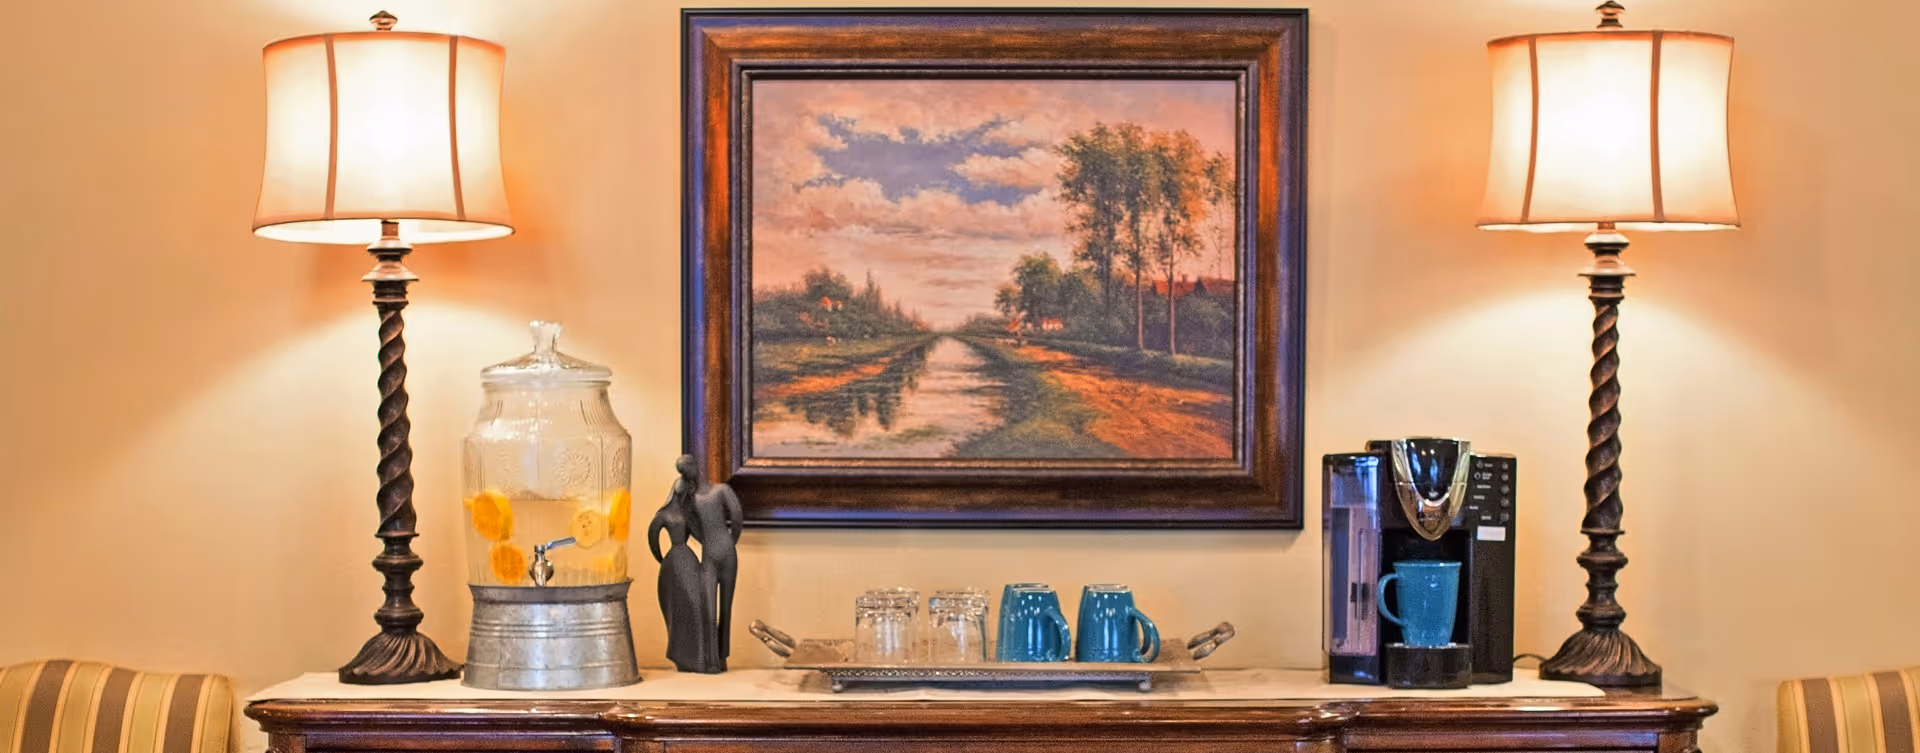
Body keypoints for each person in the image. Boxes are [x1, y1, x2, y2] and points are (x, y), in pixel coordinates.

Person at [648, 456, 715, 672]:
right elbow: (653, 536)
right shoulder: (666, 515)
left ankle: (697, 657)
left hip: (683, 560)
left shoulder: (685, 515)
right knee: (681, 608)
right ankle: (685, 656)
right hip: (677, 561)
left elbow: (700, 536)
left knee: (696, 605)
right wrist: (662, 559)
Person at [689, 467, 744, 666]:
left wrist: (709, 541)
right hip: (720, 551)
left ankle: (718, 658)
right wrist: (729, 541)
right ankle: (714, 658)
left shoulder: (719, 490)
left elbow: (737, 517)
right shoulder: (698, 496)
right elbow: (737, 518)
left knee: (717, 609)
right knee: (714, 609)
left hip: (715, 551)